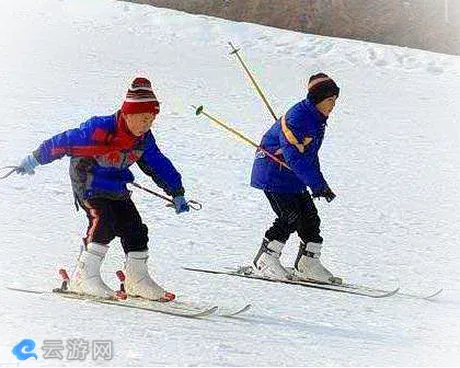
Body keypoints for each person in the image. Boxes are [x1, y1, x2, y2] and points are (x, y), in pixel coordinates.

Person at [16, 77, 190, 300]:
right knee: (103, 219)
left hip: (116, 185)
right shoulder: (99, 129)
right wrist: (35, 158)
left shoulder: (143, 139)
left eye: (151, 120)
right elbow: (64, 141)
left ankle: (136, 280)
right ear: (127, 114)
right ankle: (84, 276)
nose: (147, 125)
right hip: (88, 182)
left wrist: (177, 192)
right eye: (143, 119)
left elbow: (159, 164)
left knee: (134, 226)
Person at [250, 73, 340, 284]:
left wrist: (321, 184)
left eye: (335, 100)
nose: (333, 105)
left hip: (293, 176)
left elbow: (310, 155)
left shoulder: (317, 120)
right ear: (318, 99)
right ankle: (264, 259)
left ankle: (307, 264)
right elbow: (294, 156)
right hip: (273, 171)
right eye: (330, 100)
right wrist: (316, 185)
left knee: (310, 217)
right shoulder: (298, 118)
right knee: (289, 215)